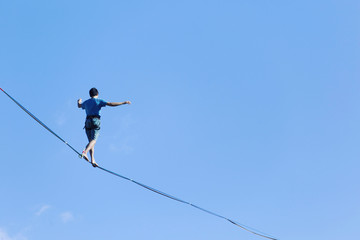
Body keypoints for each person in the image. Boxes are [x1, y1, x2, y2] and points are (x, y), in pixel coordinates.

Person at [78, 87, 131, 167]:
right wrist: (123, 102)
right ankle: (85, 152)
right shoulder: (99, 101)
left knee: (91, 143)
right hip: (95, 121)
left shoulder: (86, 102)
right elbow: (111, 104)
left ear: (90, 95)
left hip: (87, 122)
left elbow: (79, 105)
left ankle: (93, 160)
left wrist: (79, 101)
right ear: (97, 94)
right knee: (94, 140)